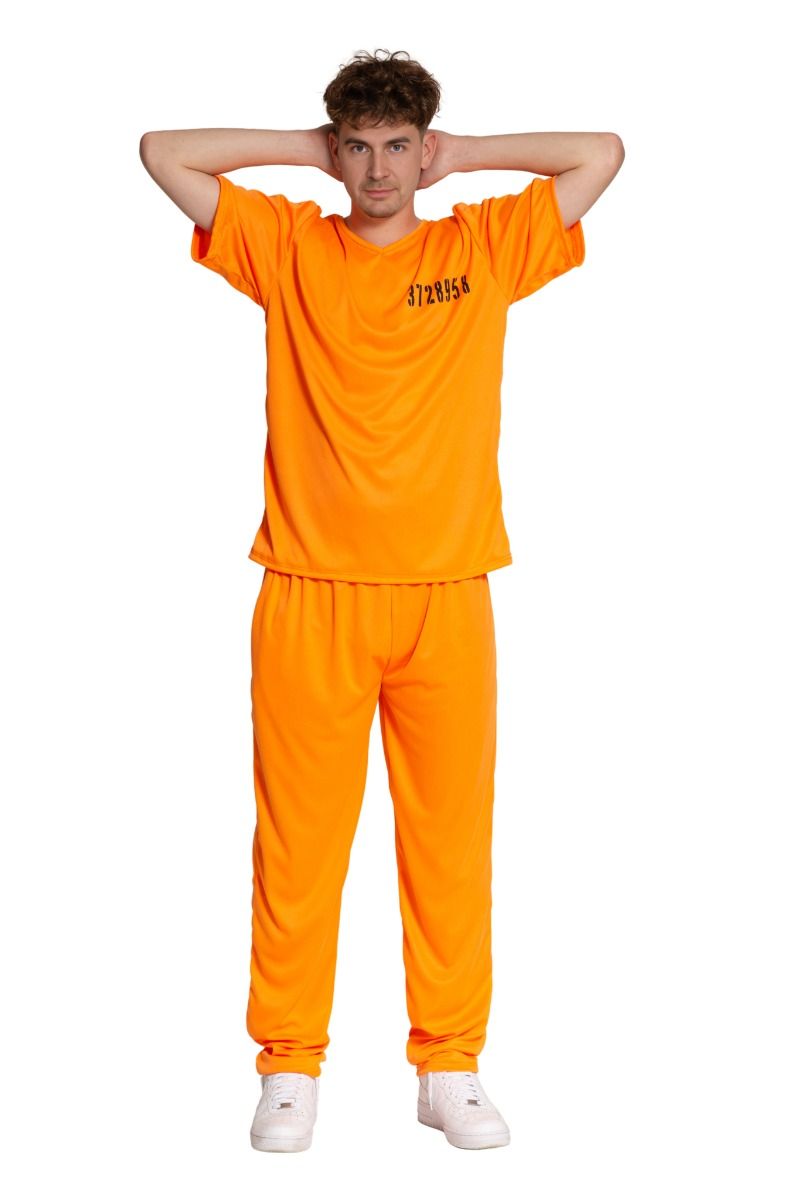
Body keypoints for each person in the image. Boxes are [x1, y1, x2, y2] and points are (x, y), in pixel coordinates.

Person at [140, 47, 624, 1153]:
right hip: (310, 590)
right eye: (356, 147)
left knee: (448, 846)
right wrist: (305, 151)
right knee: (297, 847)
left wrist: (463, 157)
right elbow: (162, 153)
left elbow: (600, 155)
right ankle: (288, 1066)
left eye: (396, 146)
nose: (376, 170)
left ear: (423, 147)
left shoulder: (481, 248)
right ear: (336, 150)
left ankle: (448, 1065)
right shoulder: (288, 247)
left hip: (446, 592)